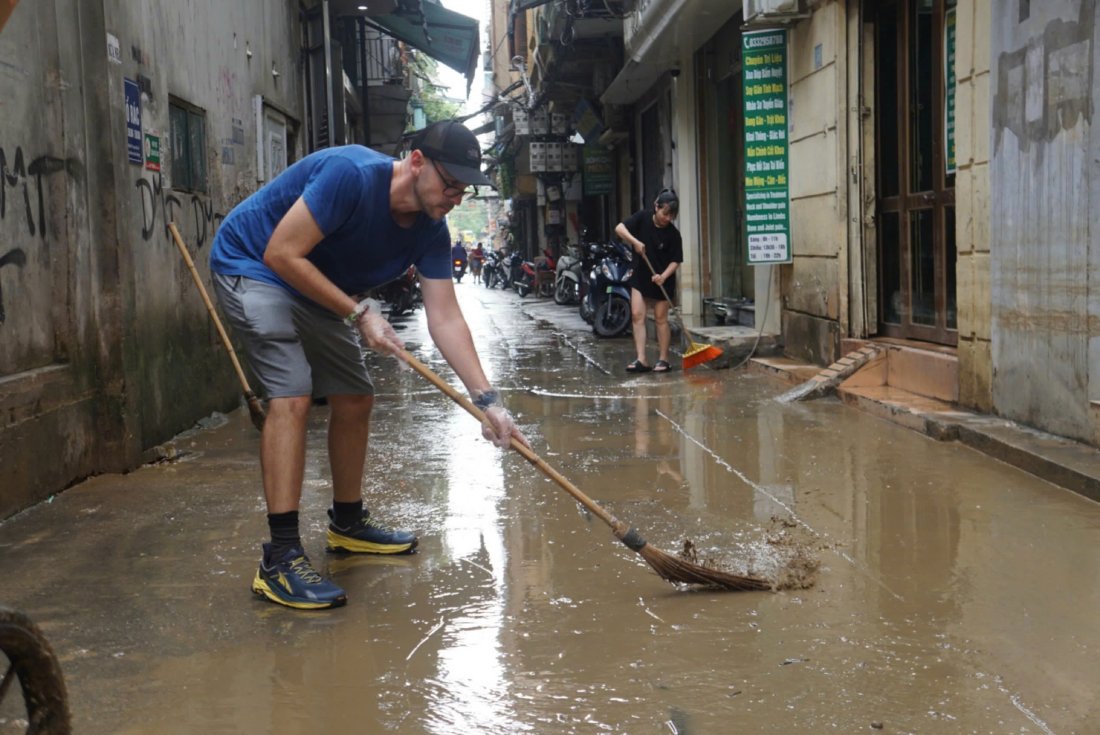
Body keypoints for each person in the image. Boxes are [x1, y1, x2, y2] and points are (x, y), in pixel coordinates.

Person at [208, 119, 529, 610]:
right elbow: (281, 252)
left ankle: (348, 523)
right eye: (449, 183)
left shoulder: (431, 232)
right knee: (292, 394)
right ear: (416, 162)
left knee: (356, 395)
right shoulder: (350, 175)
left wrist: (490, 403)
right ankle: (279, 559)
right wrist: (359, 313)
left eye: (463, 189)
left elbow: (445, 318)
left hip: (313, 284)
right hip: (253, 266)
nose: (455, 197)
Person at [614, 188, 683, 373]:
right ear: (656, 207)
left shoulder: (673, 234)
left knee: (661, 319)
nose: (668, 218)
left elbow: (676, 260)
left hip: (663, 279)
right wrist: (634, 242)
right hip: (641, 275)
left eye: (672, 216)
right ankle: (642, 359)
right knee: (637, 315)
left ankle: (663, 359)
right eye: (665, 213)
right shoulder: (643, 218)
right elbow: (619, 228)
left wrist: (664, 276)